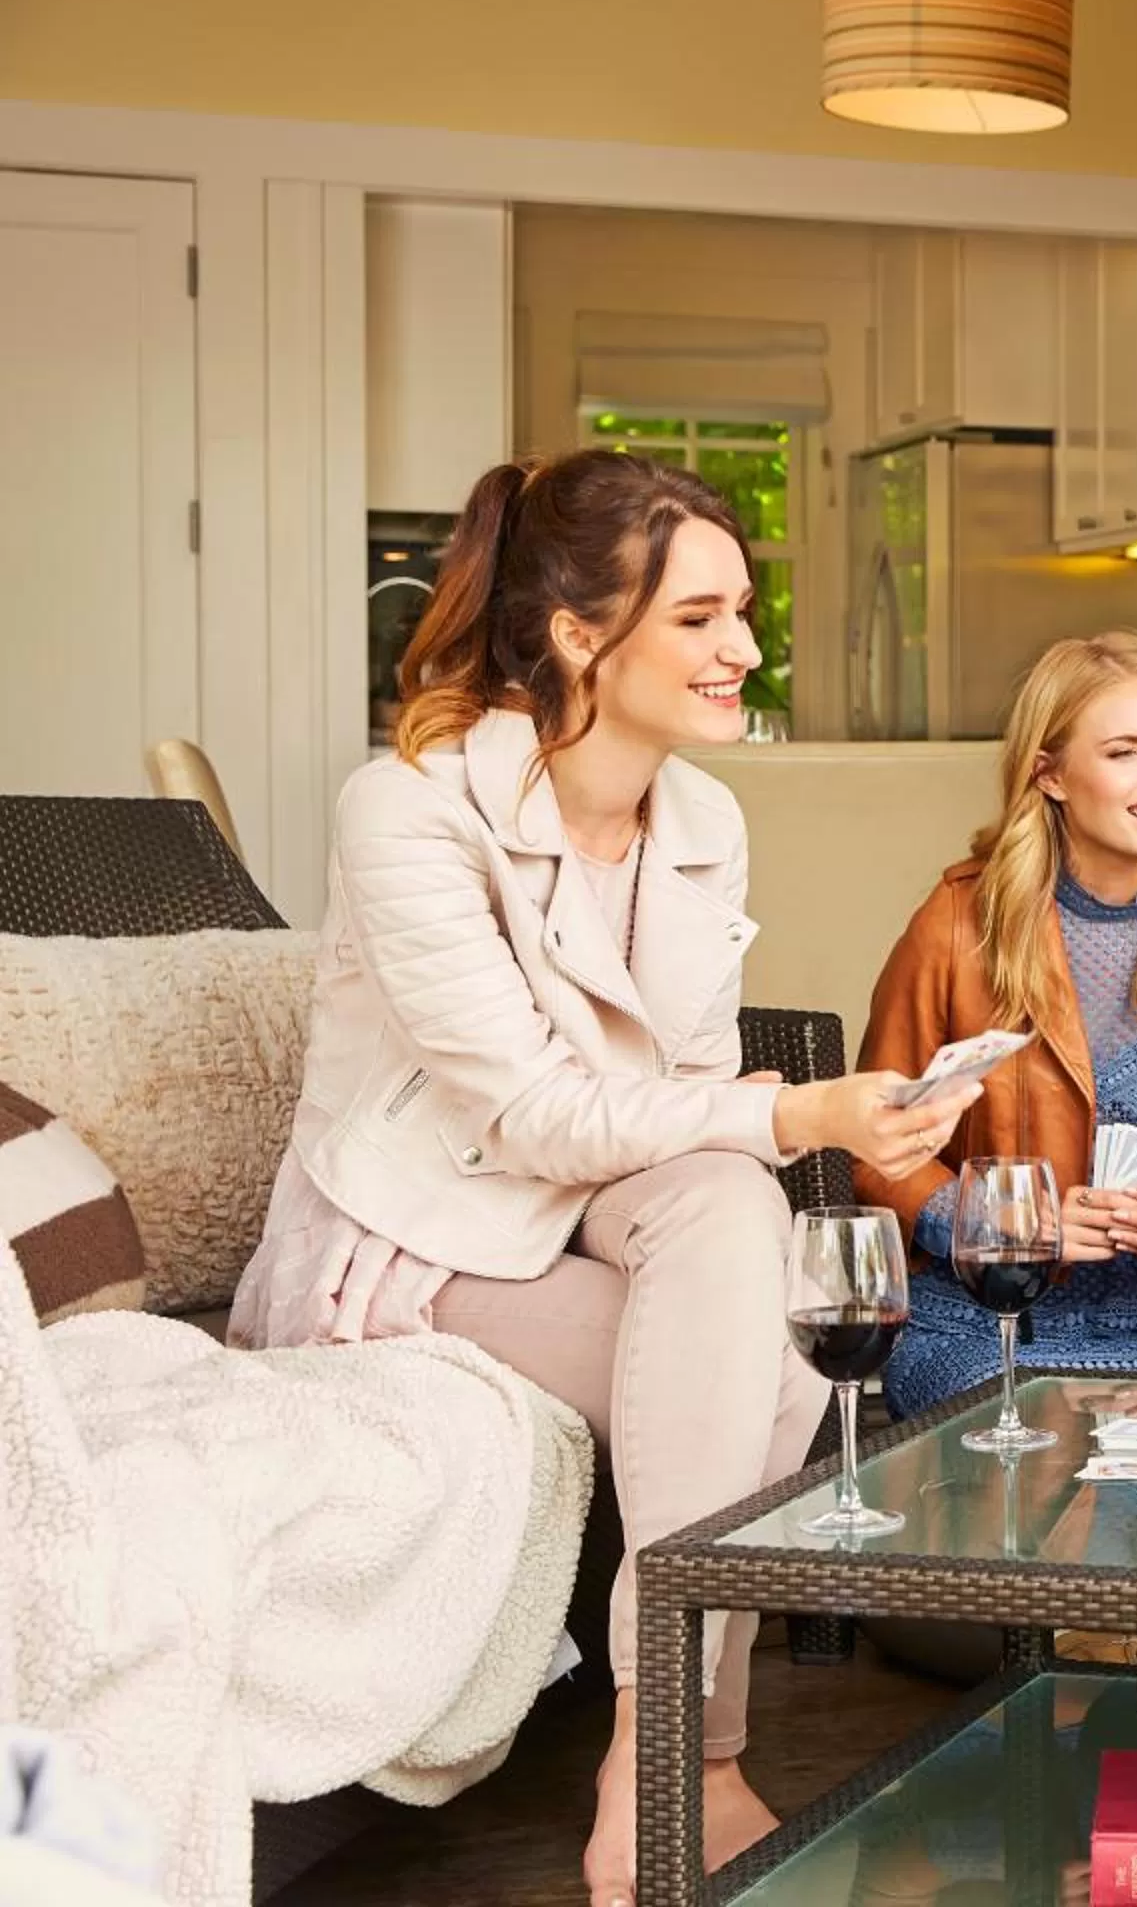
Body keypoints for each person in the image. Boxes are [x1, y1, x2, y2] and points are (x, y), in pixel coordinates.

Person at [227, 450, 981, 1904]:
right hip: (413, 1239)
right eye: (702, 620)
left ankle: (661, 1754)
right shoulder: (409, 810)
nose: (746, 652)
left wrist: (781, 1125)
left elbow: (676, 1112)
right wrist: (802, 1109)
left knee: (733, 1214)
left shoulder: (703, 827)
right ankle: (686, 1757)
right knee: (764, 1371)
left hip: (584, 1217)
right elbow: (529, 1115)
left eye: (744, 614)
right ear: (581, 634)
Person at [856, 631, 1137, 1409]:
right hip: (985, 1326)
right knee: (1038, 1485)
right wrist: (1006, 1226)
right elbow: (876, 1150)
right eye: (1125, 753)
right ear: (1049, 774)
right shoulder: (957, 923)